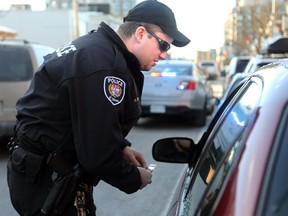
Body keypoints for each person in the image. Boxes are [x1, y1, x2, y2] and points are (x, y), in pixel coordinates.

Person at [7, 0, 190, 215]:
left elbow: (81, 118)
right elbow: (97, 155)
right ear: (141, 34)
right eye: (164, 45)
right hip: (48, 184)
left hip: (34, 175)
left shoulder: (95, 48)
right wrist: (134, 178)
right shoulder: (106, 67)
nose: (164, 54)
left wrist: (121, 147)